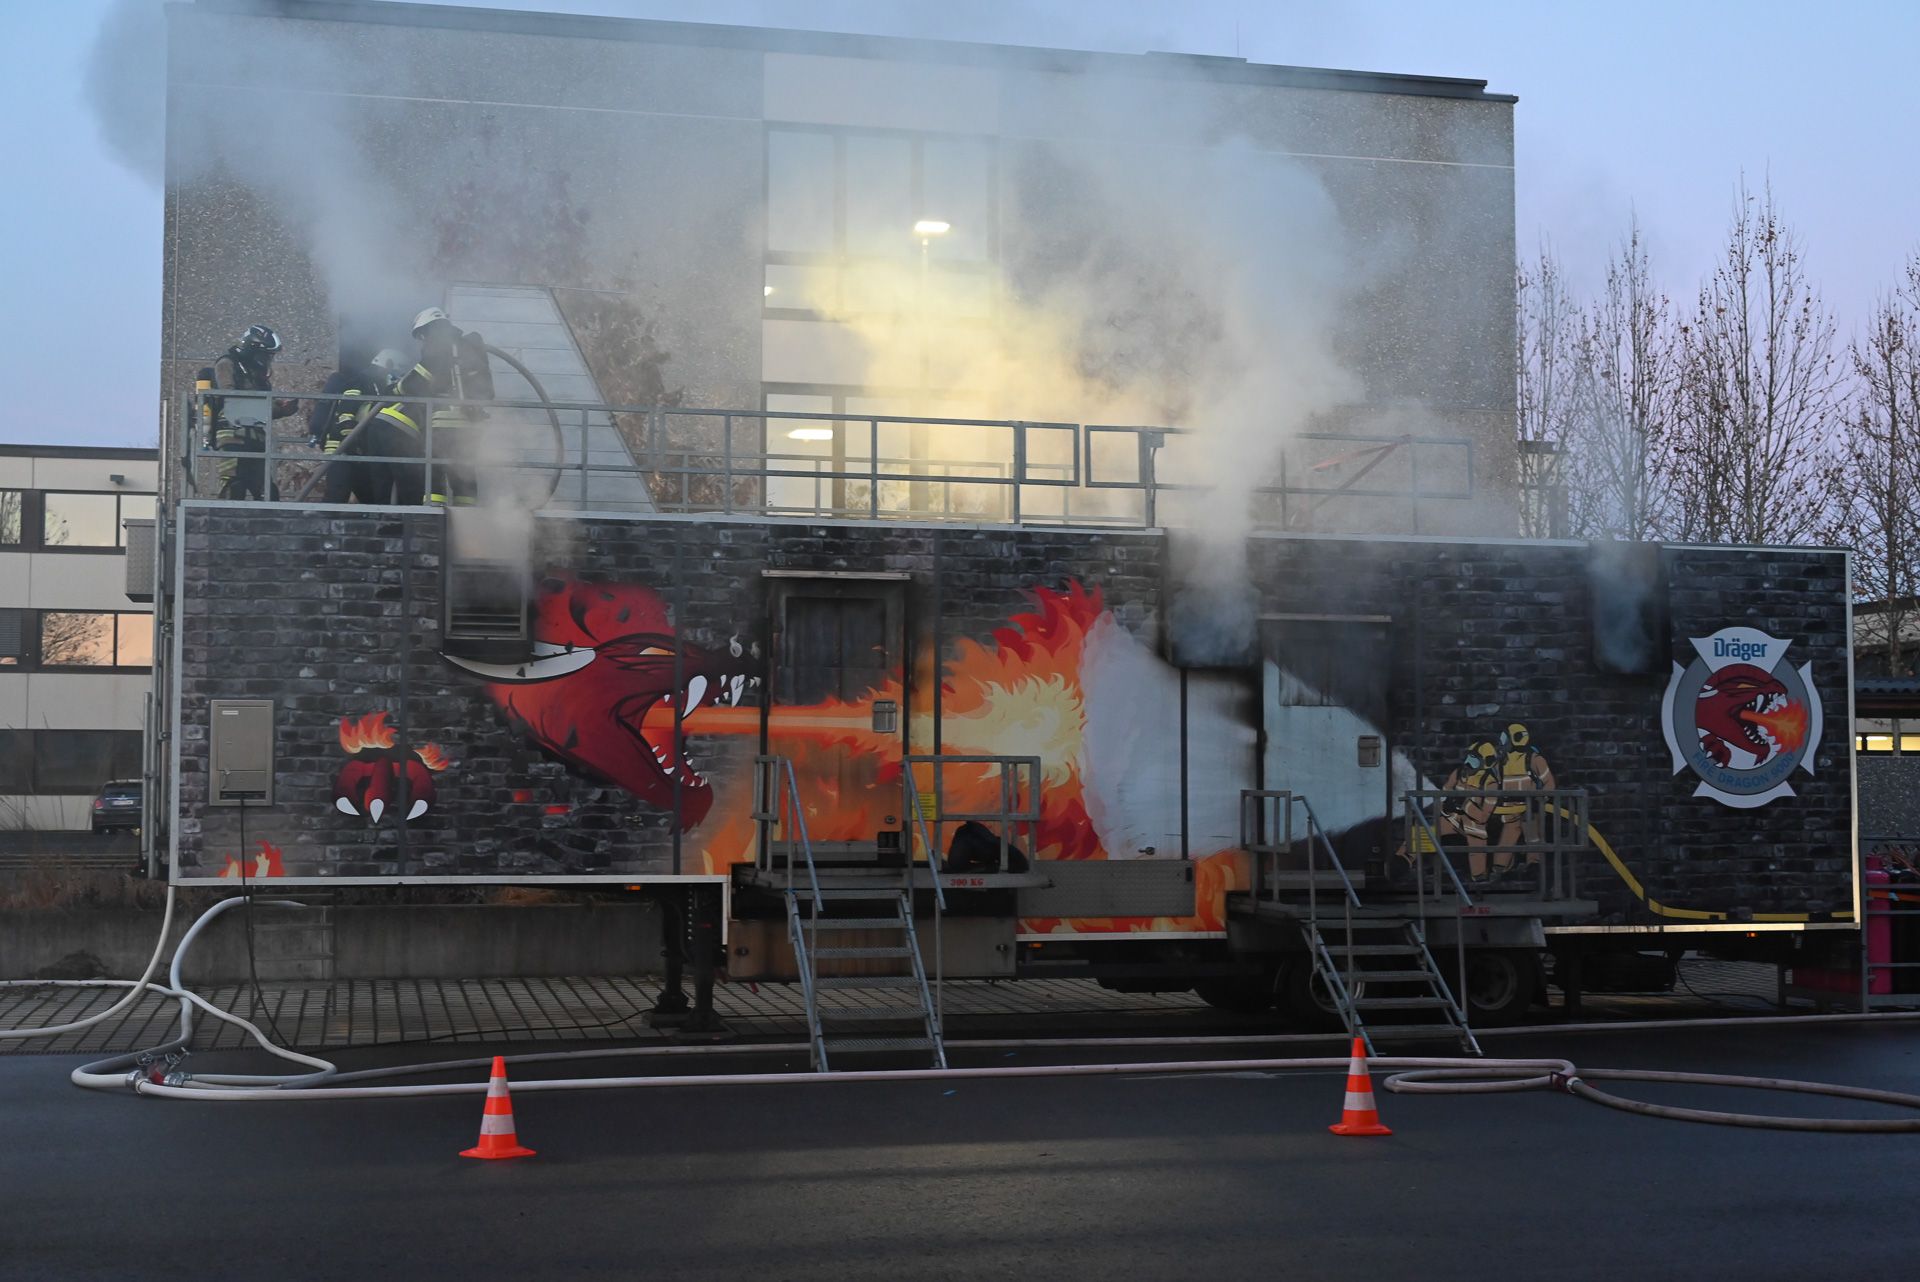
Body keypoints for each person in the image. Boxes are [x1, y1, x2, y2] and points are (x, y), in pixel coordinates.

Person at [199, 324, 298, 500]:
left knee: (267, 491)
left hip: (255, 438)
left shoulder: (256, 372)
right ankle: (224, 517)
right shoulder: (227, 364)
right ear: (252, 349)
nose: (267, 360)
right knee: (234, 486)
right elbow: (231, 399)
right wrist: (274, 407)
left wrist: (282, 409)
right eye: (265, 355)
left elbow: (260, 406)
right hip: (232, 435)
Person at [411, 306, 495, 506]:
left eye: (422, 333)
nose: (423, 338)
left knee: (435, 468)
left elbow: (418, 381)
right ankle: (467, 515)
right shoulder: (467, 345)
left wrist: (396, 388)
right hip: (470, 424)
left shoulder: (436, 345)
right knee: (464, 472)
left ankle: (434, 515)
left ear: (430, 328)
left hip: (443, 422)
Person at [1490, 723, 1556, 885]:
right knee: (1505, 844)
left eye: (1505, 738)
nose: (1502, 743)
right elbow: (1491, 783)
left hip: (1530, 810)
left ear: (1514, 739)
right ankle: (1500, 870)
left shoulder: (1534, 759)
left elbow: (1549, 784)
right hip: (1510, 811)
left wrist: (1539, 800)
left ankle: (1534, 868)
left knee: (1533, 840)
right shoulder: (1501, 762)